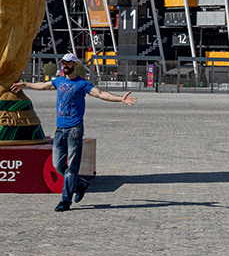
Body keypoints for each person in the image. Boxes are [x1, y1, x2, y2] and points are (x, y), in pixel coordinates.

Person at [11, 53, 137, 212]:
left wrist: (120, 99)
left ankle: (65, 200)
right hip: (59, 130)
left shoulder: (82, 84)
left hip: (74, 130)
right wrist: (26, 84)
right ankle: (81, 183)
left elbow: (100, 94)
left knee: (72, 167)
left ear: (75, 65)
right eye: (63, 63)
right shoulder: (59, 81)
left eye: (68, 63)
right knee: (57, 164)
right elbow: (43, 85)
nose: (65, 65)